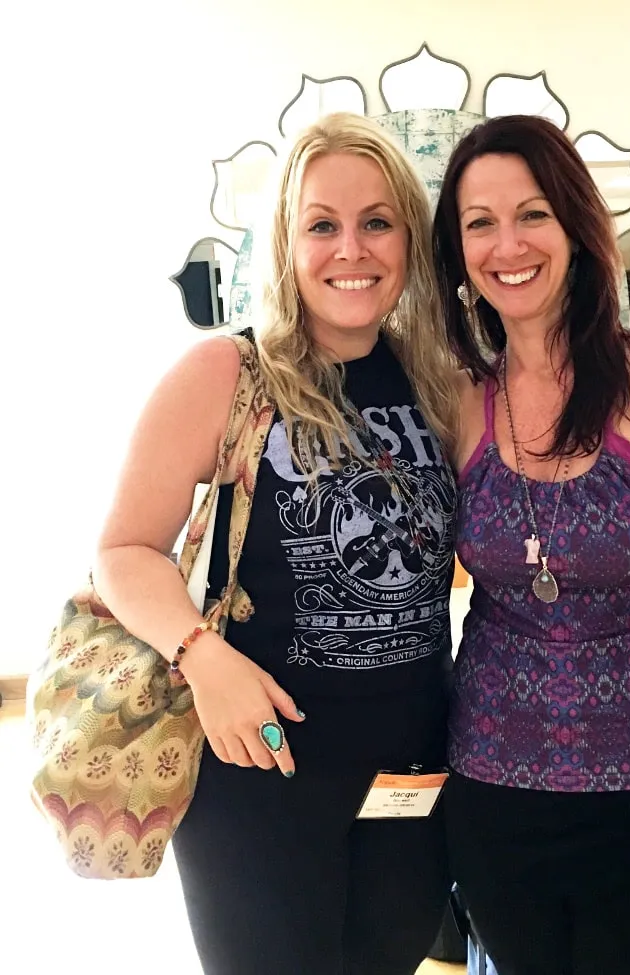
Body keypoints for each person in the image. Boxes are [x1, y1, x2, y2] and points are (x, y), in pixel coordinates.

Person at [92, 112, 459, 975]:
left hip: (414, 770)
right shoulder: (227, 372)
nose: (351, 249)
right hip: (257, 777)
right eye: (321, 225)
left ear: (408, 235)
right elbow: (124, 549)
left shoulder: (437, 380)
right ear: (286, 243)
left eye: (377, 221)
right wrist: (199, 655)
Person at [431, 115, 630, 975]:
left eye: (531, 213)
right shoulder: (461, 400)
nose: (508, 244)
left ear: (575, 224)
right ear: (458, 255)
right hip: (491, 780)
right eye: (479, 223)